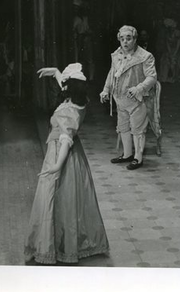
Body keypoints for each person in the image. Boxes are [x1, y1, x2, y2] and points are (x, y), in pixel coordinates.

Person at [25, 63, 110, 265]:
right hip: (75, 156)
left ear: (70, 89)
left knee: (55, 197)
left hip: (61, 154)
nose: (62, 86)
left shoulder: (67, 112)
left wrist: (56, 166)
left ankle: (58, 247)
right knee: (72, 200)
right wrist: (55, 72)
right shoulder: (80, 102)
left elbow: (65, 140)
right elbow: (67, 84)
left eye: (65, 84)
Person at [100, 25, 157, 170]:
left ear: (135, 39)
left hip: (137, 100)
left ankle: (138, 158)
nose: (125, 42)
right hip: (120, 98)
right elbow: (111, 73)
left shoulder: (144, 56)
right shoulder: (117, 55)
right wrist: (106, 89)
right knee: (123, 127)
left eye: (129, 38)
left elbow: (152, 77)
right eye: (122, 39)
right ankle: (127, 154)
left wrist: (139, 88)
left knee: (138, 130)